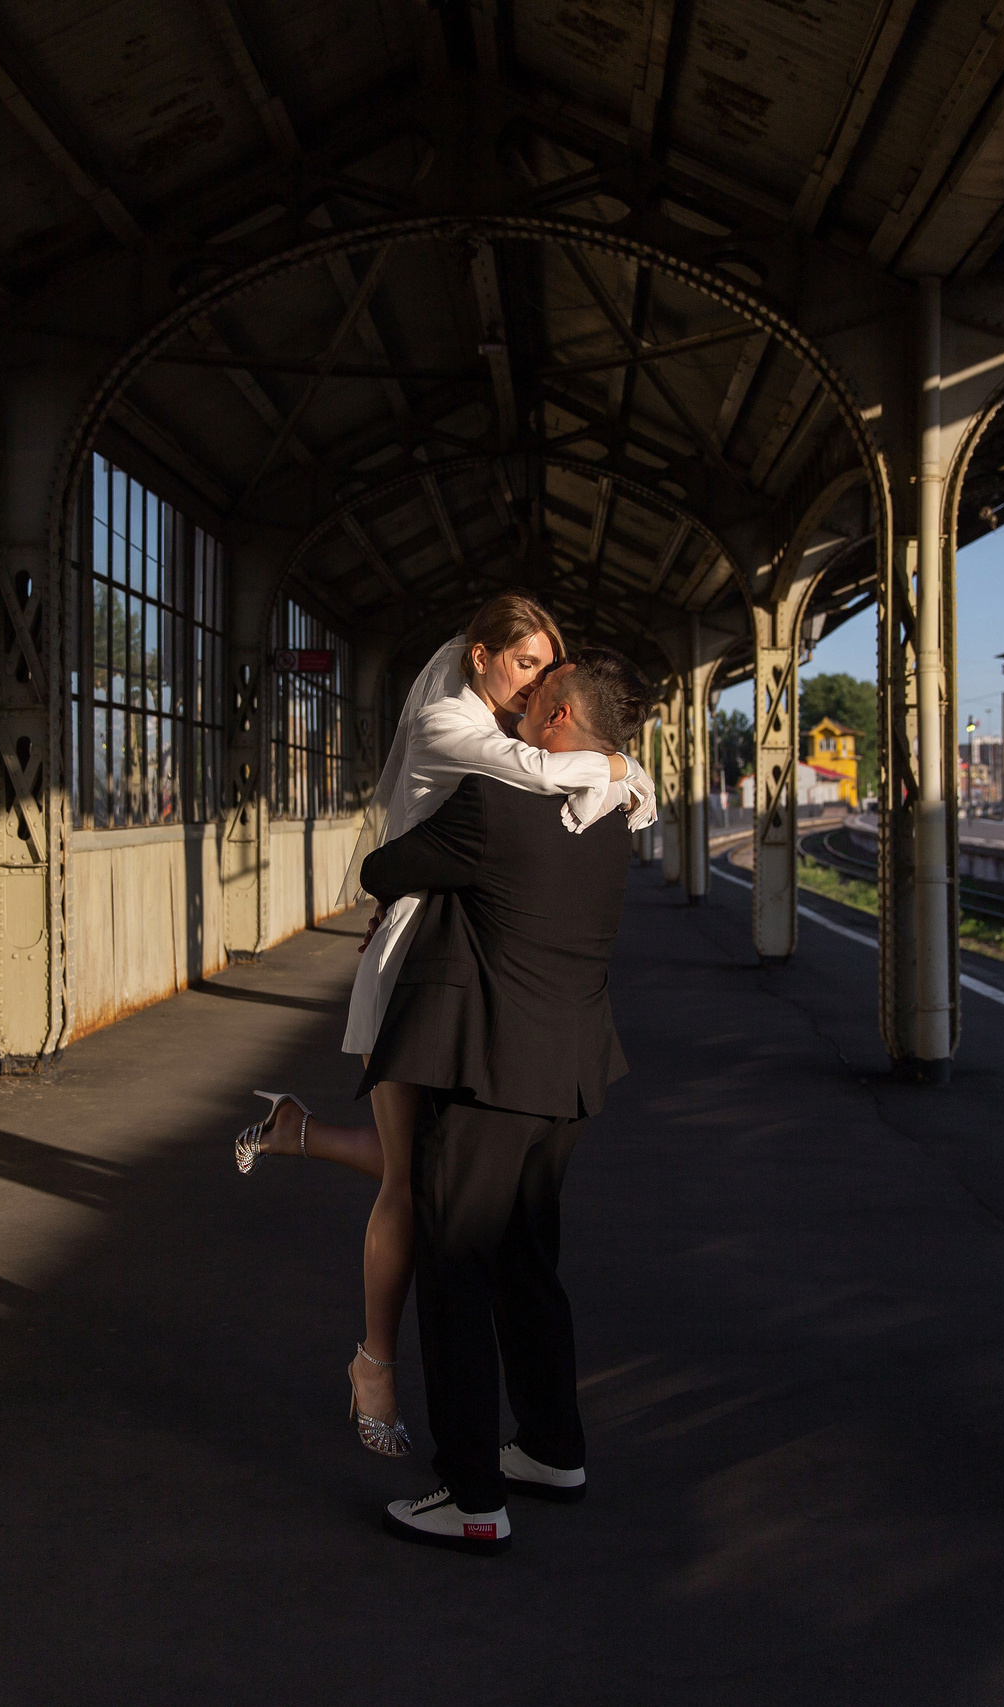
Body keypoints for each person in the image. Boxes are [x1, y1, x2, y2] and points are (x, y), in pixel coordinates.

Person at [232, 595, 652, 1457]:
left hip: (471, 1001)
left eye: (545, 671)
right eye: (524, 664)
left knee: (440, 1196)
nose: (530, 686)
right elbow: (537, 774)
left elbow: (436, 840)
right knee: (431, 1195)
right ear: (479, 658)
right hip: (462, 999)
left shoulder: (511, 768)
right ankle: (389, 1370)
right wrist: (621, 771)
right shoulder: (466, 734)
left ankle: (298, 1134)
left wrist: (613, 768)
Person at [355, 645, 652, 1553]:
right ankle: (553, 1447)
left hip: (487, 1075)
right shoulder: (618, 818)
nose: (519, 712)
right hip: (569, 1078)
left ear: (559, 718)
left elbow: (382, 870)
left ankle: (472, 1492)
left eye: (534, 702)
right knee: (528, 1265)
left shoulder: (488, 806)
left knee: (456, 1272)